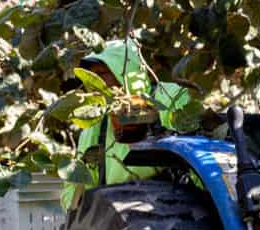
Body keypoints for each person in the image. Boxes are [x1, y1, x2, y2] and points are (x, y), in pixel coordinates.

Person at [62, 39, 189, 210]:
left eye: (103, 74)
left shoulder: (170, 97)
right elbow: (73, 189)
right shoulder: (95, 124)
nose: (97, 84)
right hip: (115, 220)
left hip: (173, 210)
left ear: (128, 72)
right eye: (93, 77)